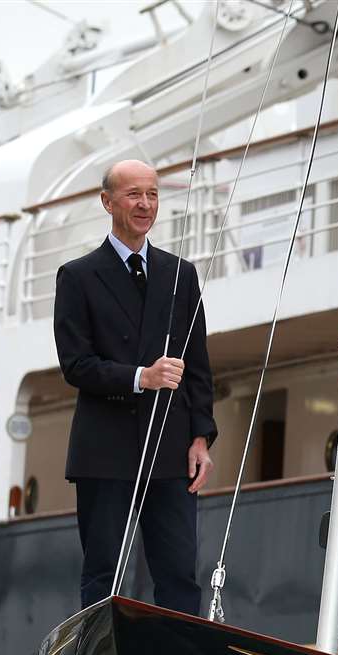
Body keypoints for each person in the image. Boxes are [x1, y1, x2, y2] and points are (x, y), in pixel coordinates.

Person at [54, 159, 218, 615]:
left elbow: (198, 364)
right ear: (107, 202)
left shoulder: (180, 274)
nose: (145, 204)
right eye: (133, 195)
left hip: (169, 446)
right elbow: (75, 364)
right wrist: (140, 377)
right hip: (104, 450)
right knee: (104, 572)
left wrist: (201, 435)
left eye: (152, 194)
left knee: (180, 573)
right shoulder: (78, 275)